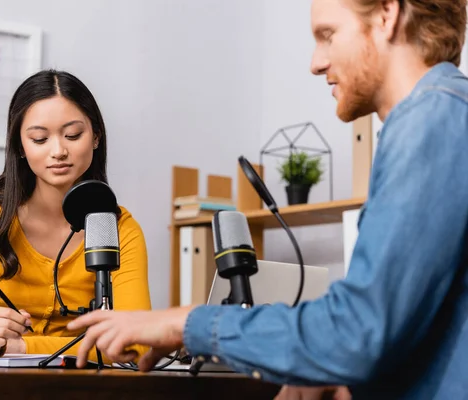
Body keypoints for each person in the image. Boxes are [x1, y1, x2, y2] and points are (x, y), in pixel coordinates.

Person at [67, 0, 468, 398]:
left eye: (328, 35)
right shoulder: (444, 115)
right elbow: (412, 330)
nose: (316, 62)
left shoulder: (432, 120)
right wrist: (337, 377)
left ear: (387, 14)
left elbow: (358, 330)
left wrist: (187, 323)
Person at [0, 70, 152, 359]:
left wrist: (21, 347)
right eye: (39, 139)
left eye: (73, 135)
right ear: (20, 146)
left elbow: (137, 345)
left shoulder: (119, 227)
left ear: (96, 137)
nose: (59, 151)